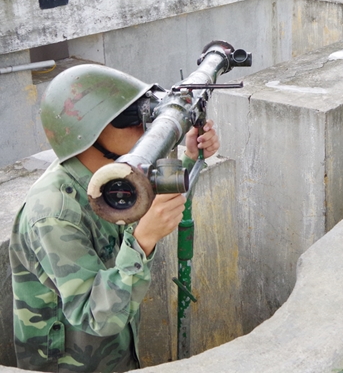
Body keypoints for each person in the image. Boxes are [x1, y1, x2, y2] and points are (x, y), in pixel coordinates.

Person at [9, 64, 220, 372]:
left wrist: (189, 155)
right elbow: (95, 316)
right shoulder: (54, 213)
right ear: (89, 134)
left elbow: (162, 195)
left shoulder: (117, 176)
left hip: (115, 354)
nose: (145, 130)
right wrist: (142, 240)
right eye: (129, 120)